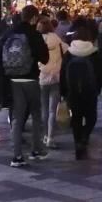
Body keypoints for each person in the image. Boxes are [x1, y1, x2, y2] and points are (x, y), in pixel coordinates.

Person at [0, 5, 49, 167]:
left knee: (17, 118)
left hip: (12, 80)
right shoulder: (34, 34)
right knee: (35, 114)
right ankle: (36, 150)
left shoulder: (10, 33)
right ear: (34, 18)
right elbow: (45, 58)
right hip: (31, 79)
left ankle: (17, 156)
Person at [60, 27, 101, 160]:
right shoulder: (94, 53)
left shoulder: (69, 53)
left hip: (73, 91)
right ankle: (85, 136)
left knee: (76, 117)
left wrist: (63, 91)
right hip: (90, 91)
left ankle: (78, 141)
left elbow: (62, 73)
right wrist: (98, 87)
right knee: (91, 116)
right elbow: (100, 73)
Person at [38, 17, 68, 149]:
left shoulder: (37, 40)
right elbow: (68, 50)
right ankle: (50, 137)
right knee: (52, 110)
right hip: (56, 77)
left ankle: (45, 135)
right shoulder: (57, 40)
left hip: (41, 77)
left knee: (44, 109)